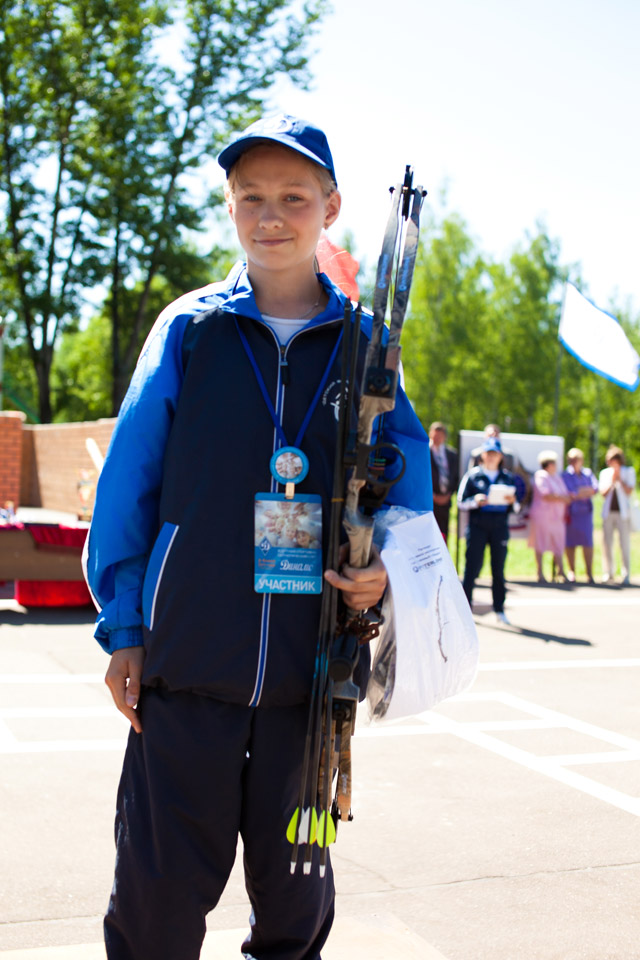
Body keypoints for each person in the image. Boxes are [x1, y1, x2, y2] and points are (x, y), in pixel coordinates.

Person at [84, 114, 432, 960]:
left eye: (293, 198)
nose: (271, 216)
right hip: (185, 675)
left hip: (310, 690)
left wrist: (384, 568)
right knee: (155, 907)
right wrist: (125, 628)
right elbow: (129, 484)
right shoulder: (190, 330)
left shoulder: (367, 346)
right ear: (231, 207)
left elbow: (407, 490)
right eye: (251, 198)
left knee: (294, 916)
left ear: (331, 208)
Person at [457, 437, 521, 624]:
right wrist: (475, 501)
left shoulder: (507, 477)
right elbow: (461, 502)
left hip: (499, 527)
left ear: (500, 457)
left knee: (498, 569)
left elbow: (516, 507)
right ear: (483, 455)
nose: (492, 457)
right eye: (488, 453)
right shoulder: (473, 475)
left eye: (495, 454)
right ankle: (466, 609)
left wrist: (512, 501)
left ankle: (499, 609)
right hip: (477, 527)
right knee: (471, 569)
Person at [528, 450, 571, 583]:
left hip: (557, 517)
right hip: (543, 515)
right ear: (549, 464)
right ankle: (540, 572)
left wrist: (564, 498)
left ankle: (561, 571)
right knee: (540, 542)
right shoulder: (541, 475)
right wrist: (562, 498)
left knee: (559, 543)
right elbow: (545, 494)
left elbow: (565, 494)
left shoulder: (556, 477)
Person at [599, 445, 636, 585]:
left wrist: (619, 478)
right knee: (607, 543)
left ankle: (626, 573)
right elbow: (603, 493)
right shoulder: (605, 473)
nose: (609, 463)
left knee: (624, 543)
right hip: (608, 513)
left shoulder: (628, 471)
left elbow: (629, 491)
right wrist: (612, 481)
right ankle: (608, 572)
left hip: (623, 513)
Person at [562, 447, 598, 583]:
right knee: (570, 543)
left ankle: (589, 572)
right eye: (571, 459)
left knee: (587, 542)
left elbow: (595, 489)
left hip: (585, 513)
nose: (573, 462)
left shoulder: (588, 473)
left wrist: (580, 492)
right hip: (572, 513)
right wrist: (583, 492)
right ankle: (572, 571)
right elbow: (570, 492)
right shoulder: (565, 475)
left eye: (576, 459)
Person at [428, 421, 459, 543]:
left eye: (440, 436)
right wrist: (433, 496)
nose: (437, 438)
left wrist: (449, 494)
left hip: (446, 502)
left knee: (443, 534)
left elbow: (455, 476)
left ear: (444, 437)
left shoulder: (451, 454)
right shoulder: (424, 452)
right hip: (429, 502)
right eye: (435, 435)